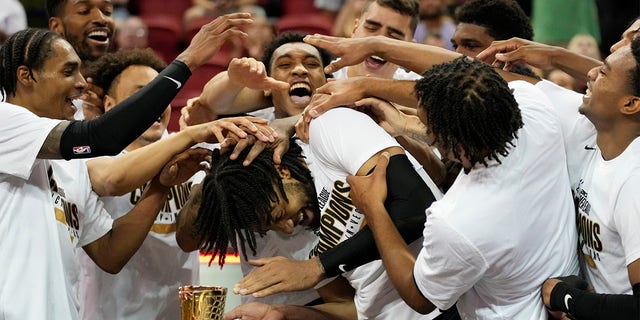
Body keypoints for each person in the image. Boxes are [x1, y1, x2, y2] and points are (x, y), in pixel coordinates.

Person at [298, 34, 579, 318]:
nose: (419, 120)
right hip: (562, 290)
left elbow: (419, 297)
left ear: (447, 141)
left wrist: (372, 206)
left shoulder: (457, 222)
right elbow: (472, 80)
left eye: (424, 121)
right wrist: (400, 119)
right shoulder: (536, 113)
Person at [0, 15, 256, 319]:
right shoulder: (5, 121)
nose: (81, 84)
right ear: (26, 76)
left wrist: (161, 185)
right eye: (68, 72)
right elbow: (102, 138)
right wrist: (187, 63)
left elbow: (111, 253)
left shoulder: (71, 166)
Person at [181, 106, 439, 319]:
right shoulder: (298, 238)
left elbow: (416, 206)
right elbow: (357, 309)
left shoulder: (329, 130)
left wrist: (318, 266)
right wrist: (283, 313)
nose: (287, 228)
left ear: (282, 172)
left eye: (279, 214)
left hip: (448, 306)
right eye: (270, 228)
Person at [477, 19, 640, 320]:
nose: (589, 72)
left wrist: (568, 299)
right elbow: (480, 82)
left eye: (603, 71)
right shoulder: (594, 134)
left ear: (631, 104)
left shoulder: (634, 183)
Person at [74, 48, 197, 320]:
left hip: (177, 313)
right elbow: (114, 178)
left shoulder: (189, 157)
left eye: (161, 95)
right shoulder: (91, 160)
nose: (154, 104)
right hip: (109, 313)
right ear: (109, 105)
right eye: (141, 95)